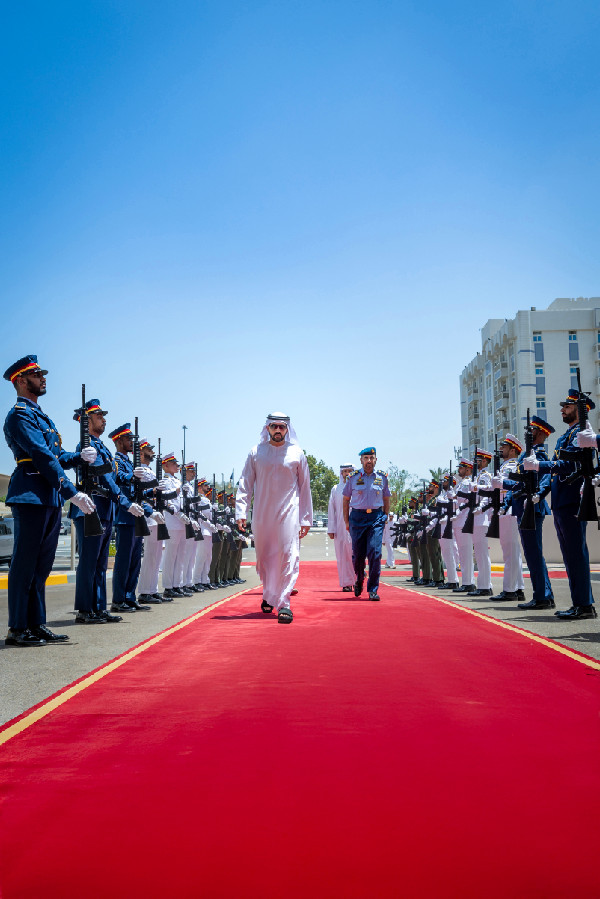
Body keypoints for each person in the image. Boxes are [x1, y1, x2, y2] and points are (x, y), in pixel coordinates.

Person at [3, 355, 97, 646]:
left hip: (48, 497)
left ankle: (36, 623)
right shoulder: (20, 414)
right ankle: (18, 628)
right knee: (24, 565)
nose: (43, 378)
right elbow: (42, 457)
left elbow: (56, 456)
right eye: (36, 374)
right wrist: (71, 491)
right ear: (21, 380)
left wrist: (78, 456)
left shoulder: (41, 414)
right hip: (31, 493)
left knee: (41, 566)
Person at [524, 388, 597, 619]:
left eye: (567, 406)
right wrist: (541, 491)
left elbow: (569, 466)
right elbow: (555, 472)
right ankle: (580, 604)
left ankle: (585, 605)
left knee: (576, 553)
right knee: (569, 554)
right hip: (562, 500)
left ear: (579, 409)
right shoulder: (567, 435)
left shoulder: (583, 432)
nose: (562, 410)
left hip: (573, 498)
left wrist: (540, 466)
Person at [236, 413, 312, 623]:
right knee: (266, 557)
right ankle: (269, 595)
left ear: (287, 429)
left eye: (282, 426)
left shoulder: (297, 453)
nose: (278, 430)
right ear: (267, 428)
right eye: (274, 426)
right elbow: (245, 484)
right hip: (262, 513)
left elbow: (305, 488)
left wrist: (305, 518)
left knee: (289, 554)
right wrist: (241, 512)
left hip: (289, 513)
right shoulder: (256, 452)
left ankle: (284, 602)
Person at [71, 399, 139, 624]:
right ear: (87, 420)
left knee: (100, 563)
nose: (104, 419)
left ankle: (99, 607)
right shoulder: (87, 446)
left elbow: (113, 476)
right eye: (99, 416)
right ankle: (84, 609)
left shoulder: (101, 447)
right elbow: (106, 477)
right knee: (89, 562)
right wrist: (121, 498)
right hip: (91, 508)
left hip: (104, 509)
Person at [504, 416, 555, 610]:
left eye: (533, 430)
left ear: (541, 433)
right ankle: (544, 595)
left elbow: (544, 477)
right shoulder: (527, 454)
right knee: (533, 554)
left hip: (532, 507)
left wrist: (536, 496)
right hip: (523, 507)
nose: (530, 432)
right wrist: (503, 484)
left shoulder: (539, 455)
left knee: (534, 554)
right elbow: (519, 481)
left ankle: (542, 597)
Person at [109, 423, 155, 613]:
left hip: (136, 516)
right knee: (123, 561)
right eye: (128, 439)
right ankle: (118, 599)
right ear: (119, 441)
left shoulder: (130, 462)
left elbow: (136, 491)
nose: (131, 443)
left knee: (135, 560)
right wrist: (131, 475)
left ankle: (130, 596)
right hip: (124, 517)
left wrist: (152, 490)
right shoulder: (117, 461)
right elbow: (118, 481)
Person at [342, 447, 390, 602]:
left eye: (371, 458)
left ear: (376, 460)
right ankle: (359, 579)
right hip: (357, 517)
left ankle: (373, 589)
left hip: (376, 517)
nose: (369, 461)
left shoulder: (382, 478)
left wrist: (385, 516)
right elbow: (346, 499)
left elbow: (386, 498)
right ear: (361, 461)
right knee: (358, 556)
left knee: (375, 553)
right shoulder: (353, 478)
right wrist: (346, 520)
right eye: (366, 458)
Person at [492, 434, 525, 601]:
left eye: (504, 447)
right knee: (513, 552)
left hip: (510, 509)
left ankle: (509, 590)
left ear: (513, 450)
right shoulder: (505, 466)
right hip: (506, 510)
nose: (501, 449)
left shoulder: (512, 466)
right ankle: (518, 587)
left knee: (510, 552)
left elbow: (511, 487)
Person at [136, 439, 169, 605]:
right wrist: (155, 490)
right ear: (141, 452)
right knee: (150, 556)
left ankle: (152, 589)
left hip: (156, 515)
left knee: (157, 556)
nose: (151, 452)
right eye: (148, 449)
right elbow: (141, 492)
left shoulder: (150, 470)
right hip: (148, 515)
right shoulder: (140, 470)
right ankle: (144, 591)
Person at [327, 464, 355, 591]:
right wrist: (331, 529)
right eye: (345, 471)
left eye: (350, 471)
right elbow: (331, 510)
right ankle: (347, 583)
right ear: (341, 473)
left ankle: (357, 579)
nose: (347, 473)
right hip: (340, 527)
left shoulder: (359, 487)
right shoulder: (336, 489)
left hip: (357, 526)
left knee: (356, 554)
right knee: (343, 555)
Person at [452, 458, 476, 594]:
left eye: (461, 468)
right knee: (462, 554)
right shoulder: (461, 484)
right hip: (459, 520)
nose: (458, 470)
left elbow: (466, 501)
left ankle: (469, 582)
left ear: (467, 469)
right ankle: (466, 581)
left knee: (466, 553)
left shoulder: (467, 483)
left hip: (465, 520)